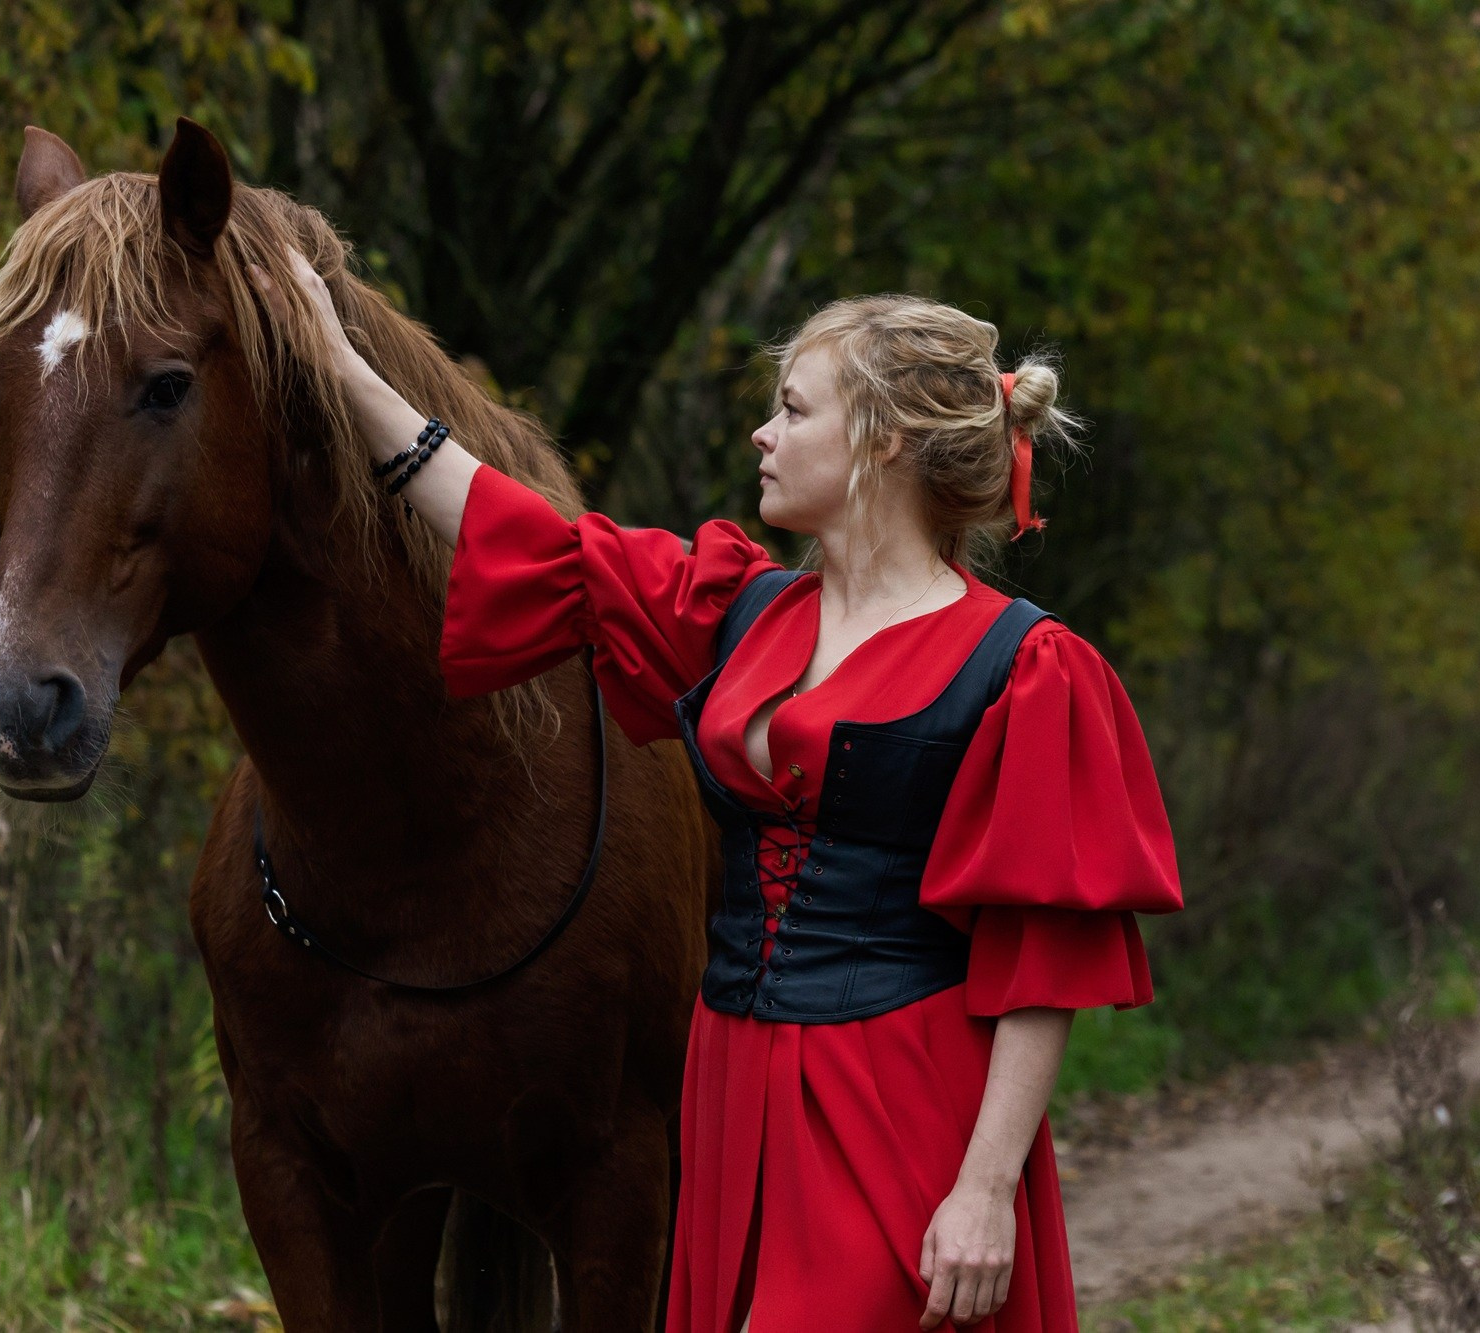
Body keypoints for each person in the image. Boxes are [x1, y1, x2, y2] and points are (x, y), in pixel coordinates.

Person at [263, 248, 1183, 1331]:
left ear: (882, 440)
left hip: (897, 1100)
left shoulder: (1024, 669)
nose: (763, 433)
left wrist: (983, 1188)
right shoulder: (737, 612)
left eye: (792, 410)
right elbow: (525, 537)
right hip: (730, 1090)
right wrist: (335, 361)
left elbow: (1039, 958)